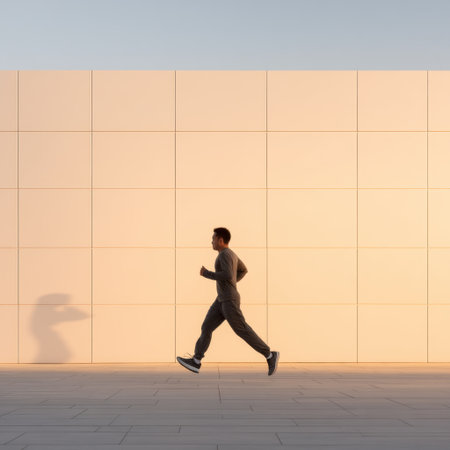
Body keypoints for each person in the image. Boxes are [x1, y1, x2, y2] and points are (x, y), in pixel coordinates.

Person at [177, 227, 280, 376]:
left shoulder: (225, 255)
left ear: (220, 240)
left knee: (242, 330)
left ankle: (270, 355)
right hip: (221, 299)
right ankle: (196, 360)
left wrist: (207, 273)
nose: (211, 241)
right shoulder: (232, 254)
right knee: (206, 326)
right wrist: (232, 283)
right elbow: (243, 270)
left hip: (229, 300)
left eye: (213, 239)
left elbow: (227, 274)